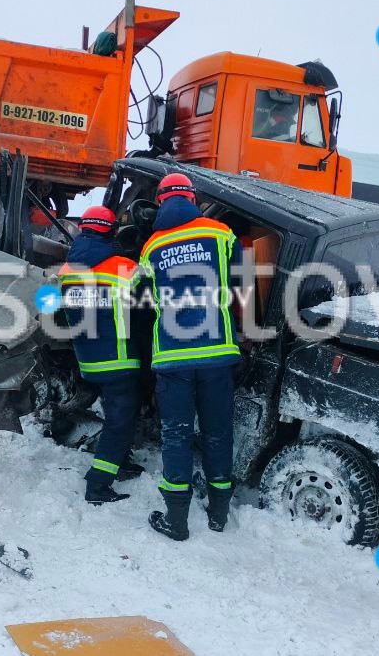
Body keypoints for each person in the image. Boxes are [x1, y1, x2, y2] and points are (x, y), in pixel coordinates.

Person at [137, 173, 241, 541]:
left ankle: (177, 520)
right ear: (192, 199)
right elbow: (239, 281)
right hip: (217, 353)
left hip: (173, 357)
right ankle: (218, 514)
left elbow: (143, 297)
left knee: (176, 436)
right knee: (217, 434)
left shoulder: (151, 245)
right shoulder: (220, 233)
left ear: (162, 201)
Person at [58, 206, 144, 505]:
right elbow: (151, 297)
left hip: (88, 361)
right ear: (112, 231)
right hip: (118, 359)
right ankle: (98, 484)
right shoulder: (123, 265)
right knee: (119, 421)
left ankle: (119, 461)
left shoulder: (66, 270)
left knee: (117, 415)